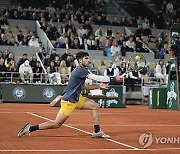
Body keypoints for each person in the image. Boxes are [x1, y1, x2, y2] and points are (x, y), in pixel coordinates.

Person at [17, 51, 122, 138]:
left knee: (94, 106)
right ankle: (30, 128)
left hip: (77, 99)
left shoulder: (82, 70)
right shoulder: (80, 70)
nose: (88, 60)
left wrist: (99, 86)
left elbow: (84, 86)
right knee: (56, 124)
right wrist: (114, 78)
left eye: (88, 58)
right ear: (80, 60)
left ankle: (97, 131)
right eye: (86, 58)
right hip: (69, 101)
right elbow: (96, 77)